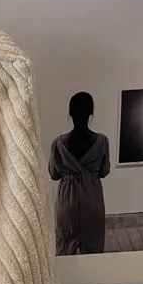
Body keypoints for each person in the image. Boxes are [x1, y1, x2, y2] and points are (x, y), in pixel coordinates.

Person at [48, 92, 110, 256]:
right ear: (91, 112)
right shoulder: (102, 141)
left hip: (67, 202)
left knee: (64, 250)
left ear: (70, 113)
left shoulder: (58, 143)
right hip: (92, 201)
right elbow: (104, 171)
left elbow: (53, 174)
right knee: (94, 252)